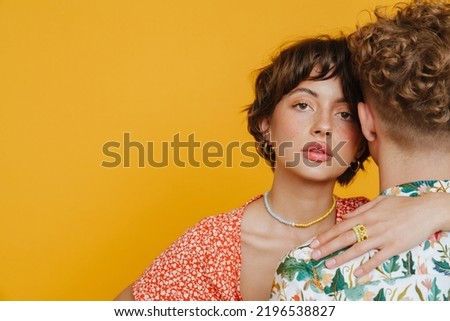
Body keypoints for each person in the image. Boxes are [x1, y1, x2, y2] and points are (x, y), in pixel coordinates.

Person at [270, 0, 450, 301]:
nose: (323, 126)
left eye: (344, 113)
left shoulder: (308, 275)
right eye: (303, 105)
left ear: (366, 123)